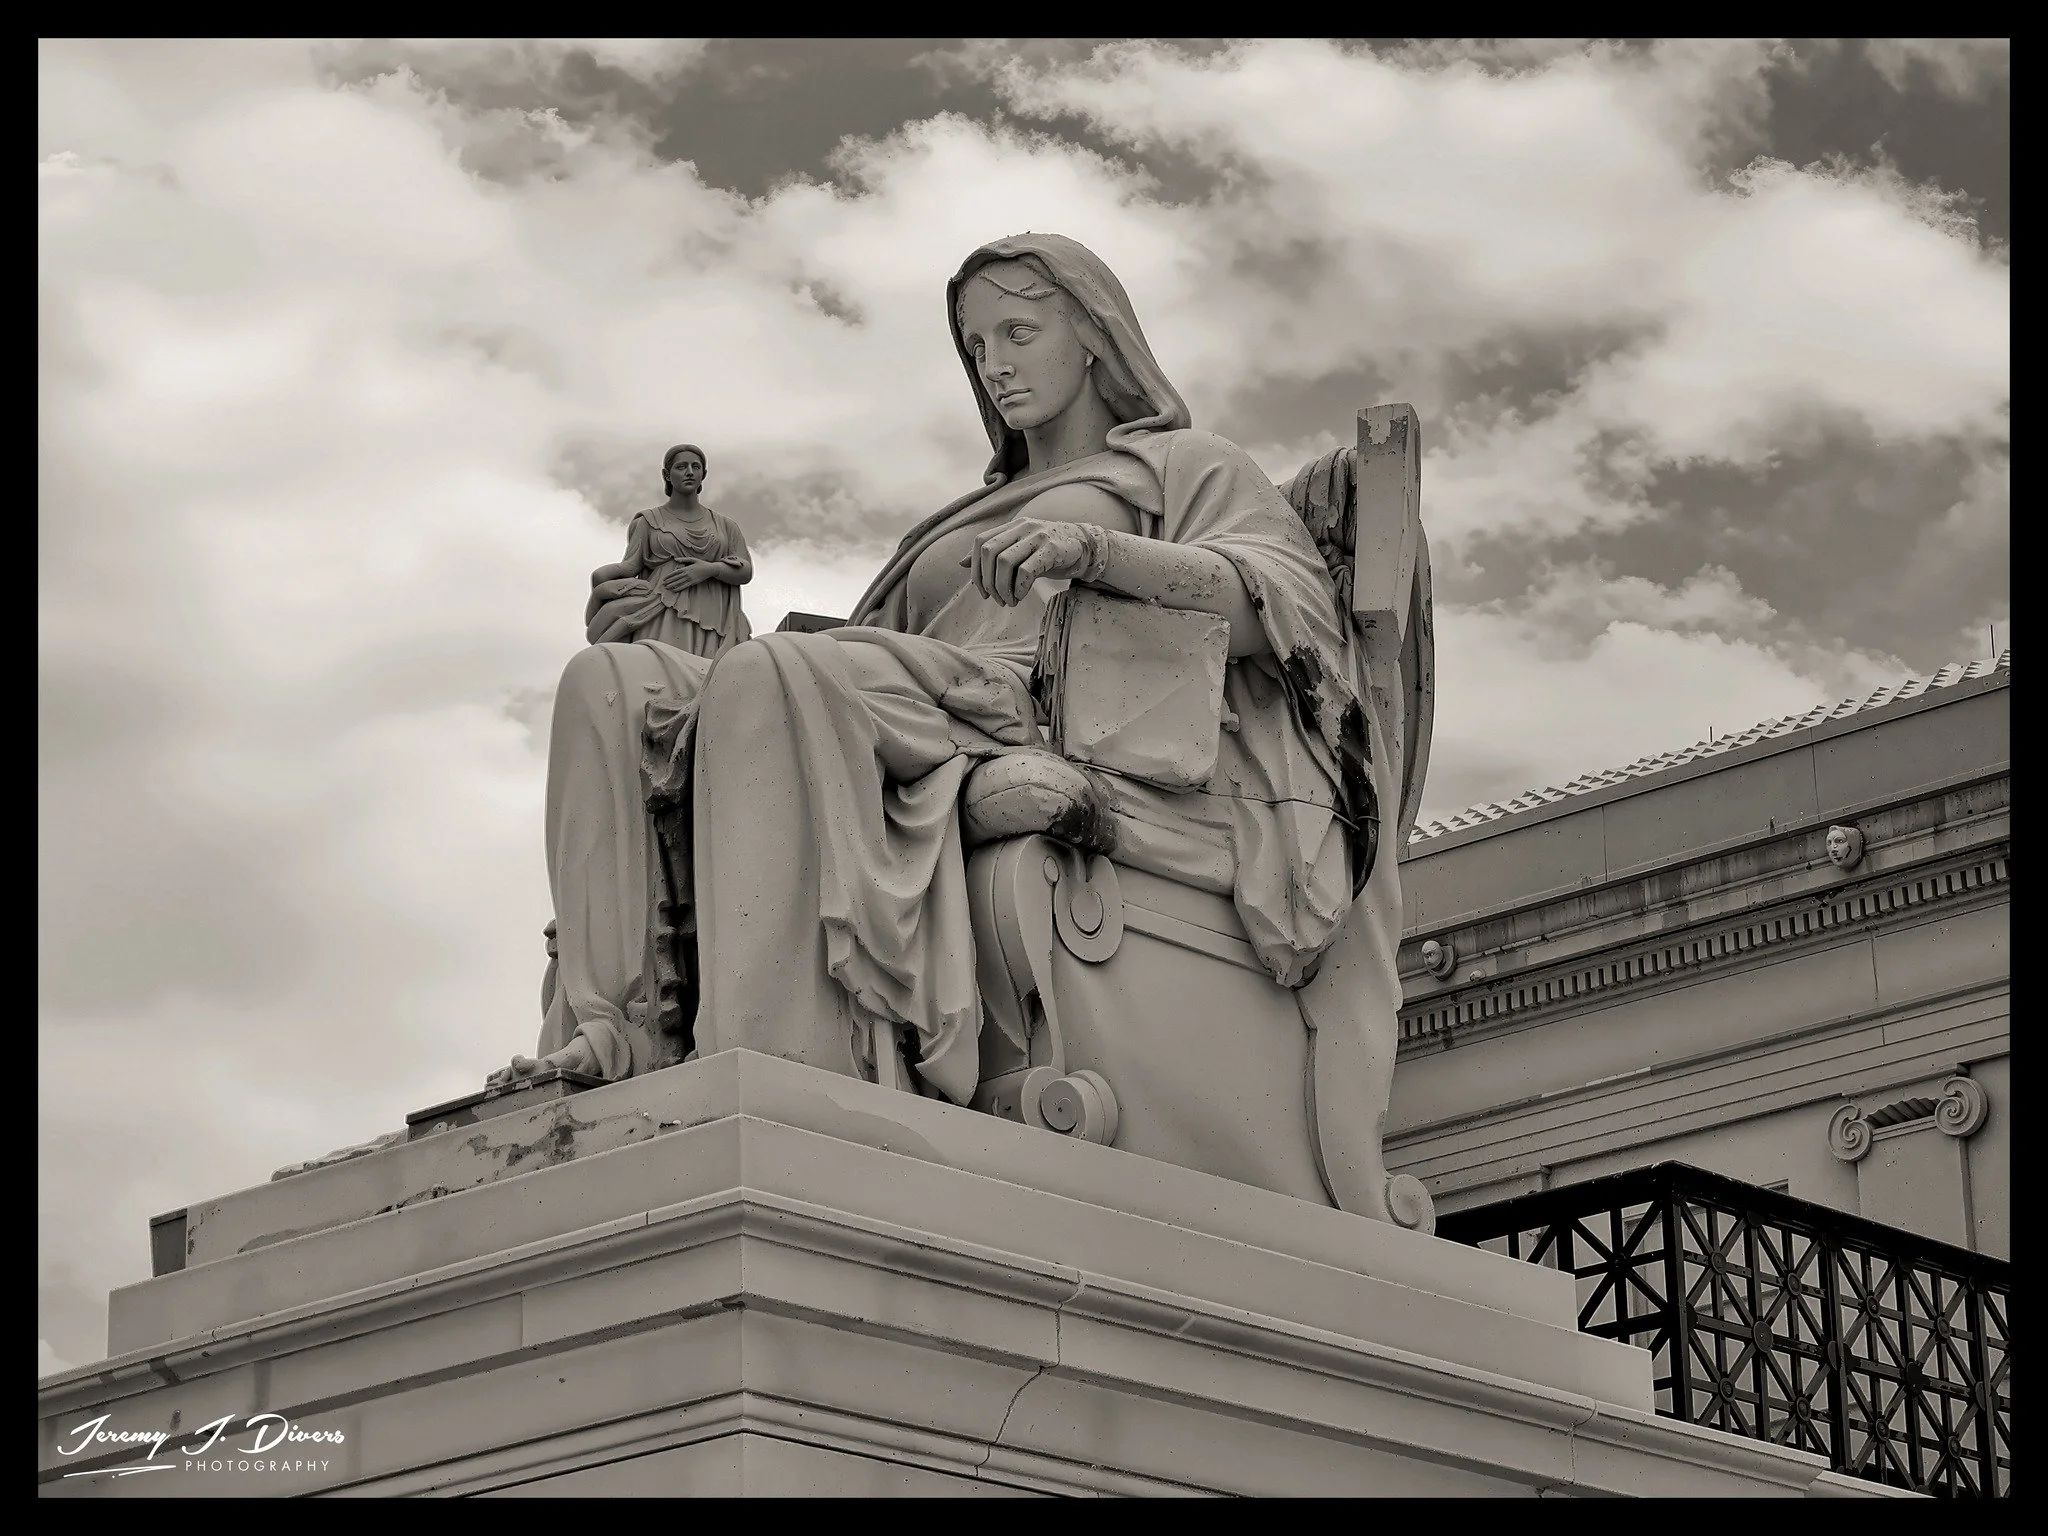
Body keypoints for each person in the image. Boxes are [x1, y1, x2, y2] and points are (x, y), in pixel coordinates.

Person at [489, 233, 1415, 1223]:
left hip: (1043, 705)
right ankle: (611, 1029)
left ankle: (771, 1056)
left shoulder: (1182, 467)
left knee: (772, 679)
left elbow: (1276, 612)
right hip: (918, 698)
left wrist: (1096, 550)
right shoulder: (960, 516)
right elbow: (859, 652)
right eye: (977, 347)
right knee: (612, 685)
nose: (996, 364)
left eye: (1019, 331)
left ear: (1096, 337)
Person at [584, 444, 753, 657]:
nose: (690, 472)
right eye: (681, 467)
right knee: (656, 676)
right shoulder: (648, 521)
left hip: (714, 617)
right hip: (661, 611)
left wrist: (709, 570)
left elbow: (745, 571)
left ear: (704, 474)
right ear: (667, 474)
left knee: (710, 678)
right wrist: (600, 579)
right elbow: (630, 566)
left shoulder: (726, 525)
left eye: (696, 467)